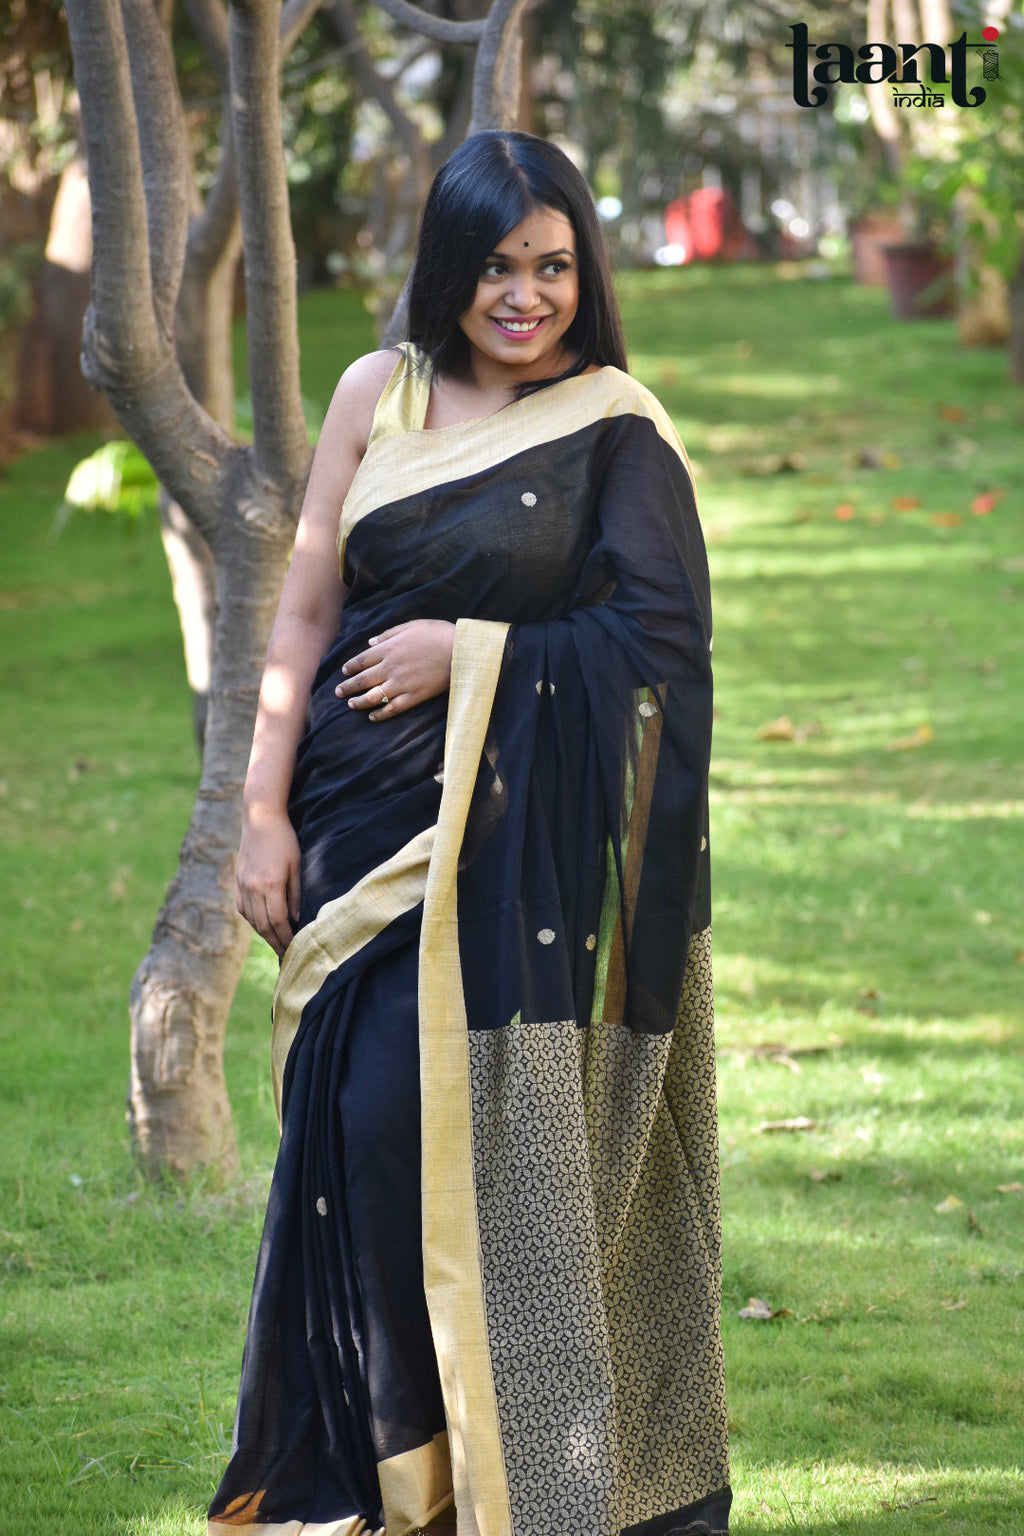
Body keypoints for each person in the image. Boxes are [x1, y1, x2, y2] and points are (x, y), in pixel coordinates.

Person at [209, 129, 730, 1536]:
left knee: (471, 1153)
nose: (526, 296)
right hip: (350, 838)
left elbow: (661, 644)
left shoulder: (614, 422)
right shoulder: (375, 391)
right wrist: (258, 814)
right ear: (449, 265)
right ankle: (391, 1486)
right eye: (498, 265)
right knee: (361, 1148)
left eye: (553, 267)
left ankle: (519, 1484)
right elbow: (305, 610)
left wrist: (472, 652)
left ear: (586, 273)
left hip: (513, 858)